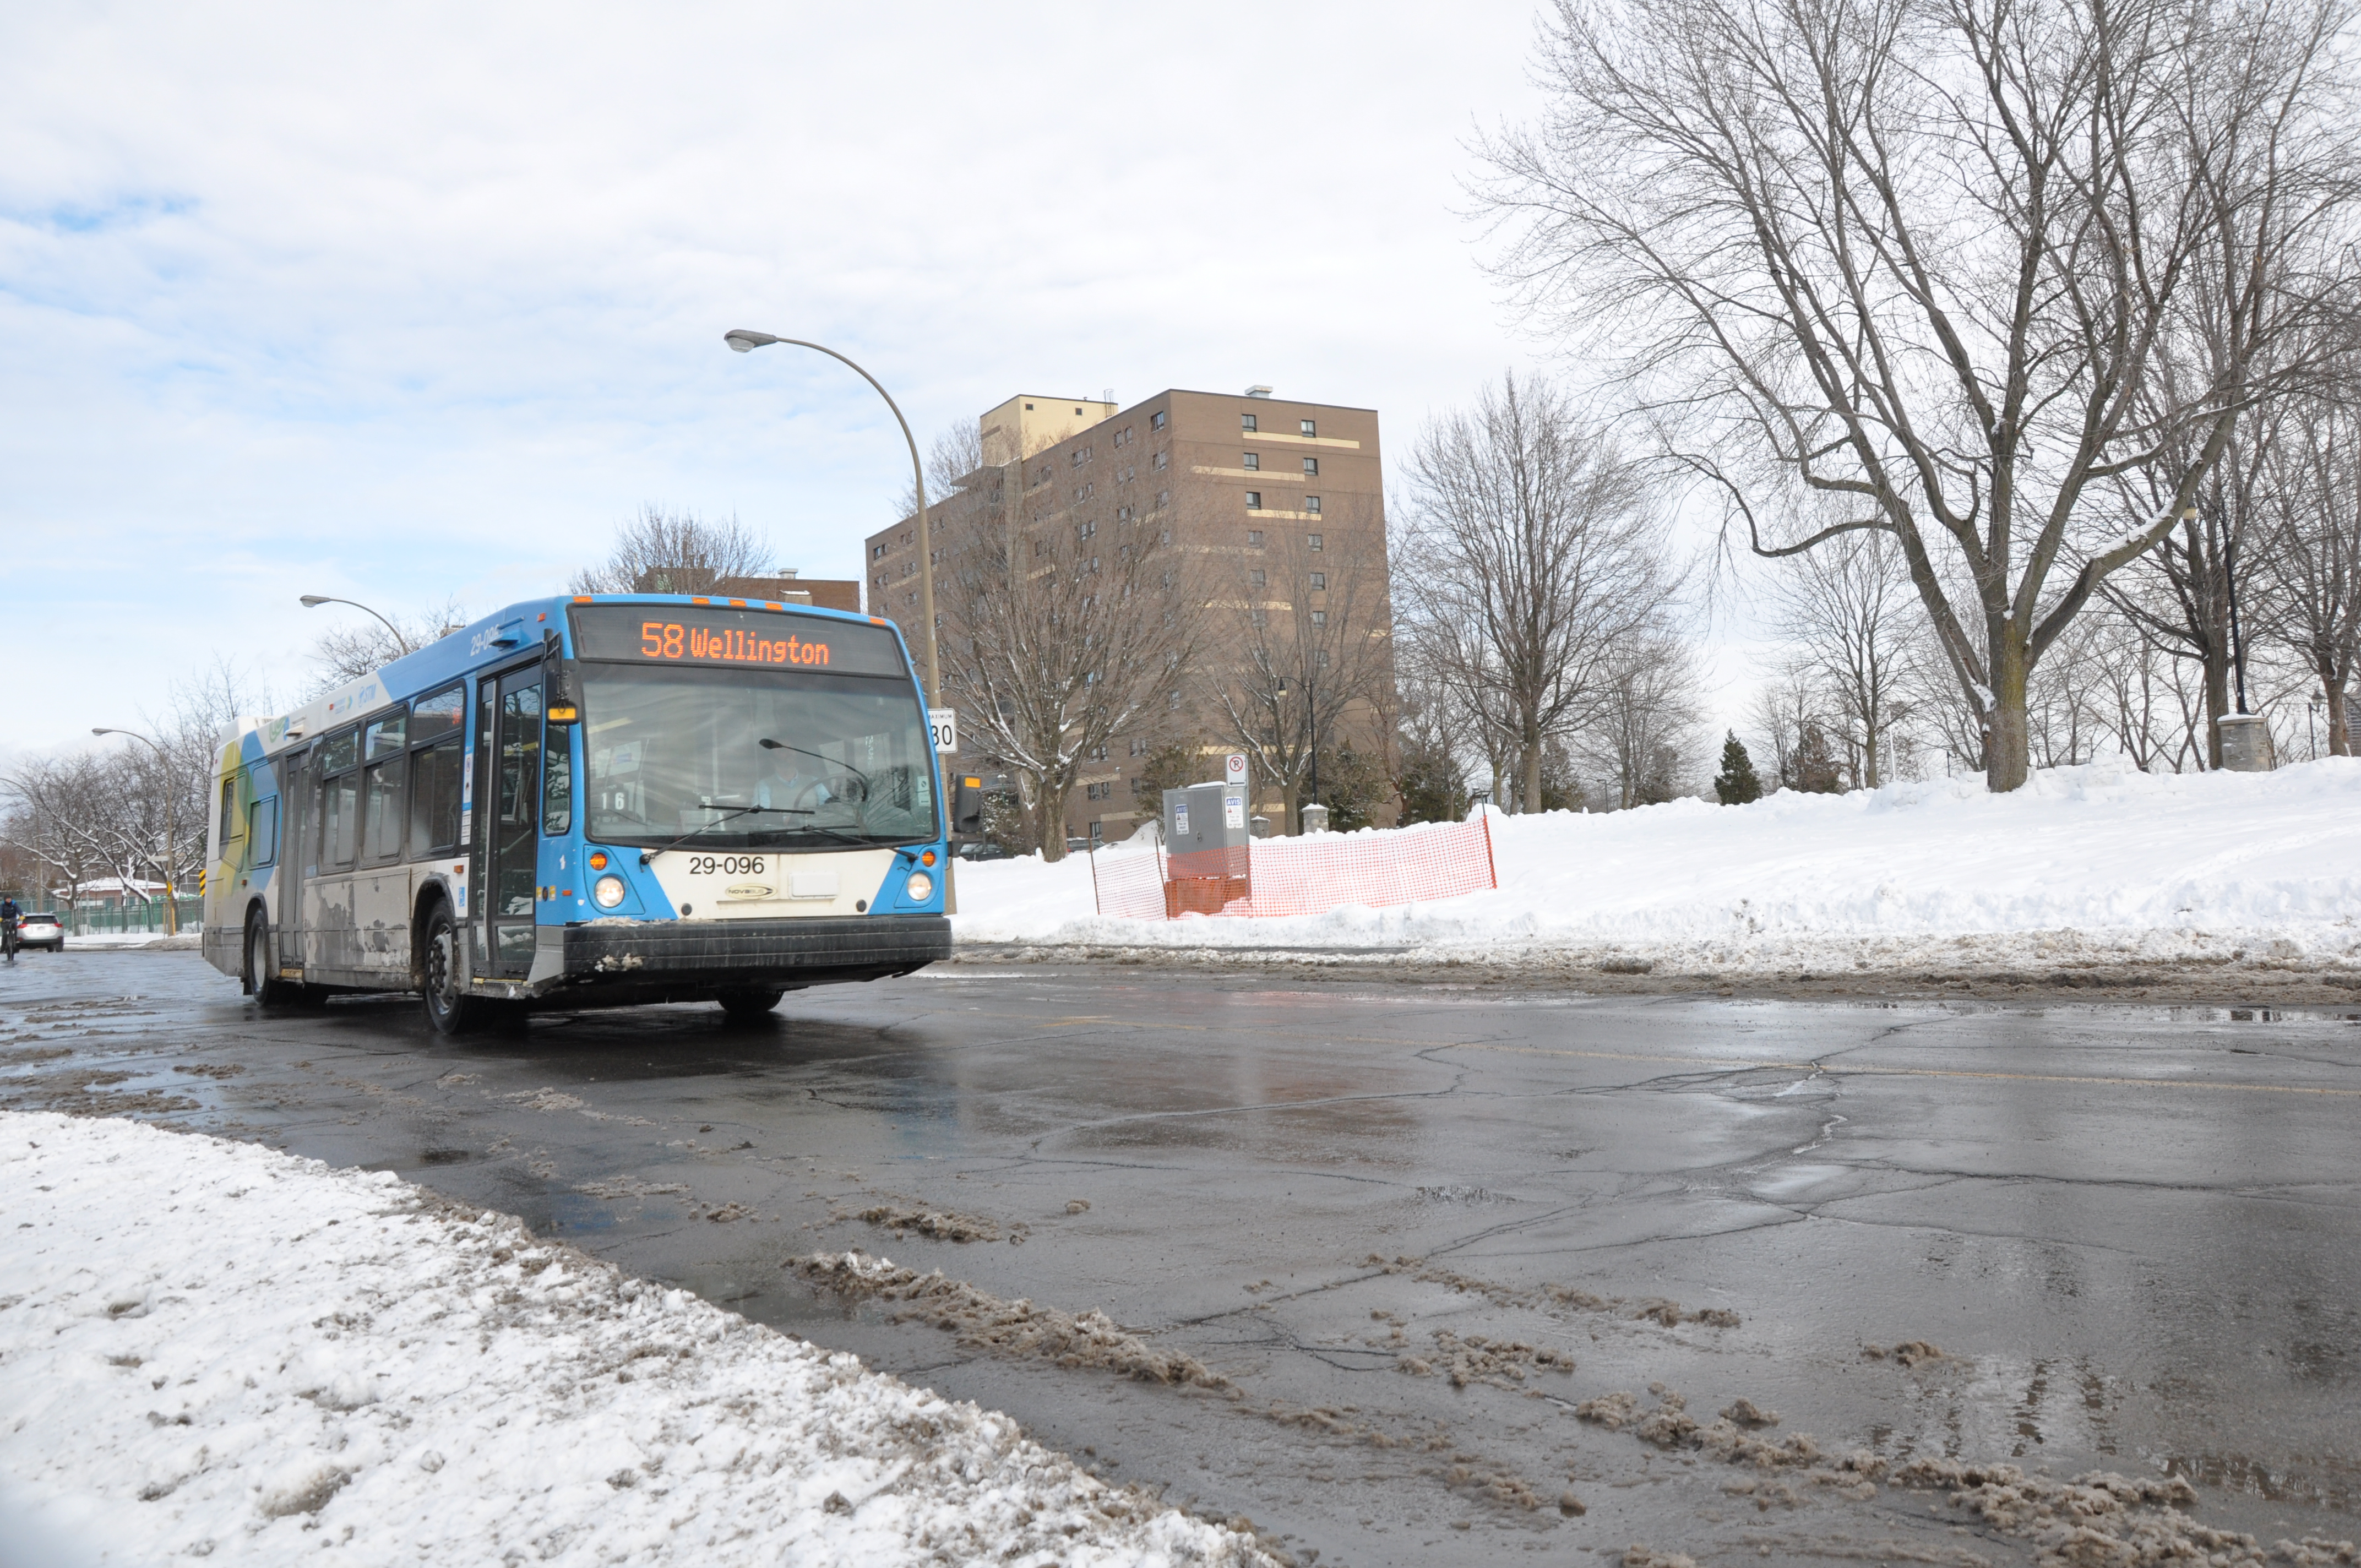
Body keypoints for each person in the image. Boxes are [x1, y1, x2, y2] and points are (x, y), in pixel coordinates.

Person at [0, 895, 18, 962]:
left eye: (10, 899)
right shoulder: (2, 905)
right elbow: (1, 911)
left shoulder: (14, 904)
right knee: (5, 934)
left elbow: (19, 910)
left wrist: (21, 915)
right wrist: (1, 917)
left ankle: (15, 939)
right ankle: (3, 947)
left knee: (15, 928)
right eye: (7, 899)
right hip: (4, 920)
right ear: (5, 899)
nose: (9, 900)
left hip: (12, 919)